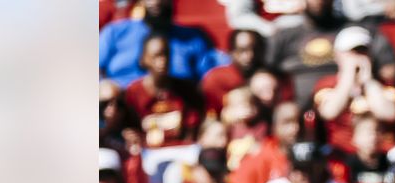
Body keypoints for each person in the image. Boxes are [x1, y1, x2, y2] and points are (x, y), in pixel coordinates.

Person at [265, 0, 395, 106]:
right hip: (300, 107)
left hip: (348, 103)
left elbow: (389, 68)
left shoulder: (356, 30)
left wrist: (371, 76)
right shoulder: (285, 36)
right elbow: (264, 71)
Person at [313, 26, 395, 155]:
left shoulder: (384, 85)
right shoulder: (326, 84)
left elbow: (389, 114)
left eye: (363, 51)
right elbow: (329, 112)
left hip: (382, 154)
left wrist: (368, 82)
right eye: (352, 52)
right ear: (337, 55)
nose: (358, 56)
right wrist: (348, 78)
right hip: (342, 154)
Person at [99, 0, 227, 87]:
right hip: (118, 111)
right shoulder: (115, 32)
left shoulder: (193, 38)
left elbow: (211, 79)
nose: (156, 2)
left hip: (175, 113)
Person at [124, 35, 205, 149]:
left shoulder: (185, 90)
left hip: (181, 150)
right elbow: (129, 129)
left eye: (166, 54)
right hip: (148, 152)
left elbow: (192, 128)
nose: (163, 60)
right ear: (143, 59)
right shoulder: (134, 92)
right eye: (156, 56)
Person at [201, 29, 269, 116]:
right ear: (231, 52)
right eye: (243, 50)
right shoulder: (216, 79)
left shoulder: (269, 79)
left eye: (255, 49)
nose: (250, 55)